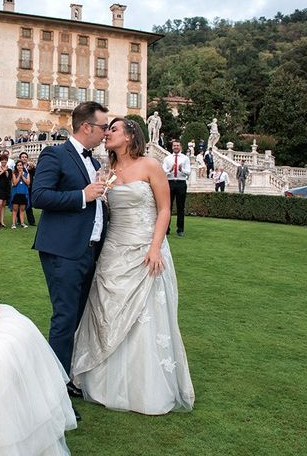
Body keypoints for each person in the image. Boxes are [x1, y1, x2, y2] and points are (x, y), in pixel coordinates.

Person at [71, 117, 194, 415]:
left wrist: (155, 247)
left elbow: (165, 209)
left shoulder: (151, 165)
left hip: (145, 249)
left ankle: (144, 387)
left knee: (144, 317)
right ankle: (101, 380)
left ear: (129, 136)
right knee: (106, 308)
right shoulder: (106, 171)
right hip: (114, 249)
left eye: (113, 129)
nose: (107, 133)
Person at [32, 101, 109, 421]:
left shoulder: (96, 162)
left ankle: (65, 377)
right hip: (64, 250)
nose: (106, 133)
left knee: (76, 319)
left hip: (89, 250)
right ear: (87, 127)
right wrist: (83, 196)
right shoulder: (56, 154)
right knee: (64, 320)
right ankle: (54, 393)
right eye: (103, 127)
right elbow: (39, 196)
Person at [162, 140, 191, 237]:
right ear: (172, 147)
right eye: (174, 145)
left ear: (180, 147)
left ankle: (180, 229)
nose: (176, 147)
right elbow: (163, 171)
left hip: (181, 182)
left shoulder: (185, 158)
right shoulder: (167, 158)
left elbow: (188, 172)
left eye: (177, 145)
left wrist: (181, 169)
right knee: (167, 207)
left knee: (180, 208)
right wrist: (170, 170)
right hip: (169, 182)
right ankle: (166, 229)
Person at [9, 160, 31, 229]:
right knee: (15, 209)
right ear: (16, 166)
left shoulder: (27, 174)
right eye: (18, 165)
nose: (19, 166)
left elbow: (28, 183)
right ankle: (13, 223)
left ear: (22, 166)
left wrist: (22, 176)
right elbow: (15, 183)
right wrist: (19, 175)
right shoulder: (14, 173)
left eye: (20, 165)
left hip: (24, 193)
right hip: (16, 193)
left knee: (22, 210)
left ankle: (22, 223)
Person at [19, 152, 37, 226]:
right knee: (20, 203)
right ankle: (19, 220)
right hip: (20, 187)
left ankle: (31, 221)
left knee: (29, 204)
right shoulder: (18, 166)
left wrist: (33, 168)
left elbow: (35, 174)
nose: (24, 158)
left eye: (25, 157)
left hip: (29, 187)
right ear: (20, 158)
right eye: (22, 157)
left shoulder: (30, 166)